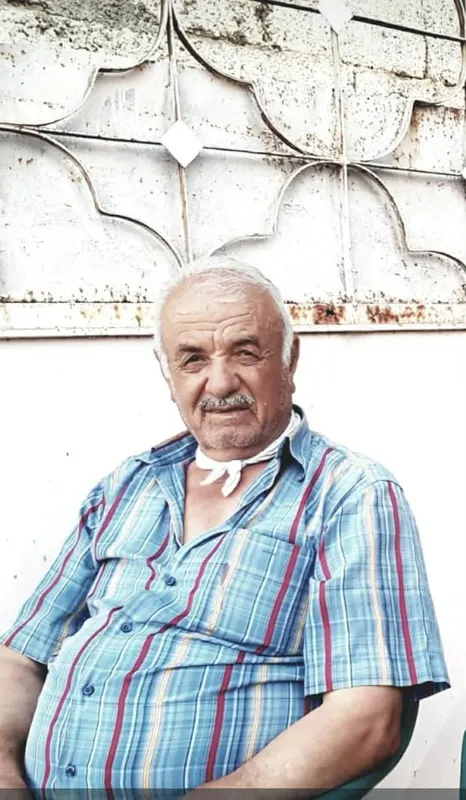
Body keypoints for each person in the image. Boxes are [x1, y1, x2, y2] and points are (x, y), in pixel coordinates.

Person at [0, 257, 449, 796]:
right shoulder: (125, 486)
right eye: (193, 359)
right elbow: (20, 657)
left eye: (245, 352)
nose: (220, 382)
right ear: (169, 376)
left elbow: (368, 719)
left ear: (290, 359)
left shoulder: (350, 493)